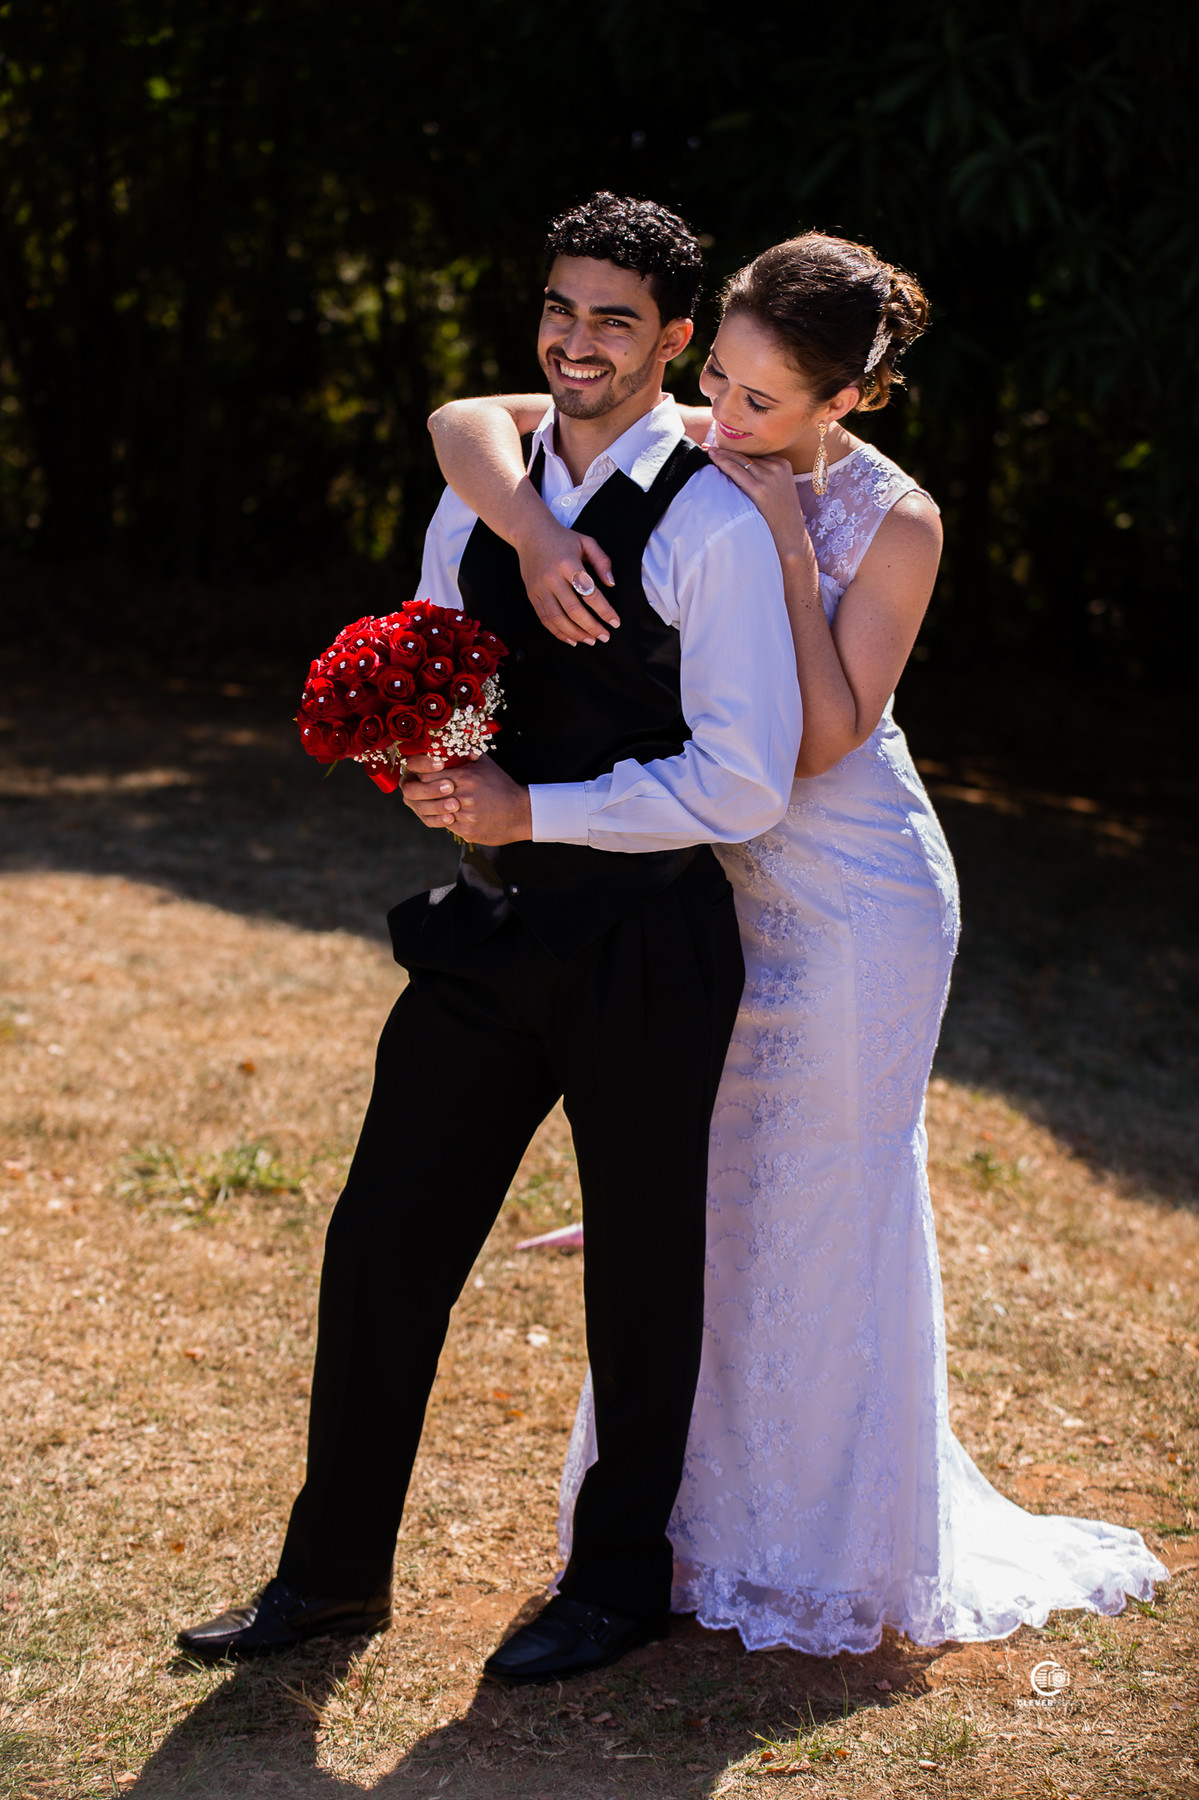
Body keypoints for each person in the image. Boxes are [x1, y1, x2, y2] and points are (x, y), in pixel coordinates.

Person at [427, 230, 1168, 1654]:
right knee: (699, 1207)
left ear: (848, 401)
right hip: (710, 888)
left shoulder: (898, 522)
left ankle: (825, 1553)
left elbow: (827, 741)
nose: (726, 414)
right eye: (719, 376)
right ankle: (683, 1533)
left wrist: (775, 540)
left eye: (765, 400)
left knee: (827, 1212)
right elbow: (467, 424)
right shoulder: (697, 425)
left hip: (851, 905)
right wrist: (527, 528)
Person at [175, 193, 802, 1682]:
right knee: (380, 1240)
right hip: (486, 931)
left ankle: (617, 1581)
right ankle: (328, 1579)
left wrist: (541, 807)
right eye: (562, 310)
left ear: (676, 345)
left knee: (641, 1268)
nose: (579, 342)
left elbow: (747, 778)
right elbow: (434, 641)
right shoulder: (486, 490)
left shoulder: (708, 524)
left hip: (648, 944)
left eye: (616, 320)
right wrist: (425, 765)